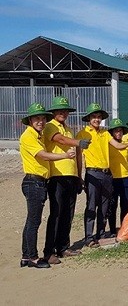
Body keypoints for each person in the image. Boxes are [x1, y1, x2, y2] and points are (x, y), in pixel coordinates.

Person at [20, 103, 76, 268]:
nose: (41, 121)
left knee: (32, 220)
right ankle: (33, 257)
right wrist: (65, 155)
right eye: (37, 118)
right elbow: (43, 155)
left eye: (43, 118)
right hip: (34, 181)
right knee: (34, 221)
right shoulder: (28, 136)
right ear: (30, 120)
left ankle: (26, 256)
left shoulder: (38, 135)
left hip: (39, 181)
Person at [76, 103, 128, 247]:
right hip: (92, 173)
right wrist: (79, 176)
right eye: (94, 116)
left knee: (104, 207)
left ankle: (101, 234)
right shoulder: (82, 134)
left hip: (107, 174)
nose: (97, 119)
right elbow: (78, 157)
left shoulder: (106, 133)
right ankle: (89, 237)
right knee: (91, 206)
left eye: (99, 117)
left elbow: (118, 145)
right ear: (89, 118)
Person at [42, 96, 89, 264]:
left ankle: (63, 247)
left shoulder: (69, 129)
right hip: (57, 176)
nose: (63, 113)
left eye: (65, 111)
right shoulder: (49, 126)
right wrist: (79, 142)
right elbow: (59, 140)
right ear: (53, 112)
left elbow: (77, 153)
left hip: (70, 176)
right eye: (60, 110)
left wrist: (79, 176)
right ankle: (49, 251)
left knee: (68, 213)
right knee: (56, 213)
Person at [107, 118, 128, 237]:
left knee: (125, 204)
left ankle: (124, 228)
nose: (119, 133)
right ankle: (112, 230)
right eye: (116, 131)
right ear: (112, 132)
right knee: (112, 205)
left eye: (120, 131)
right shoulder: (109, 144)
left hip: (125, 176)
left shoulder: (126, 143)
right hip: (112, 177)